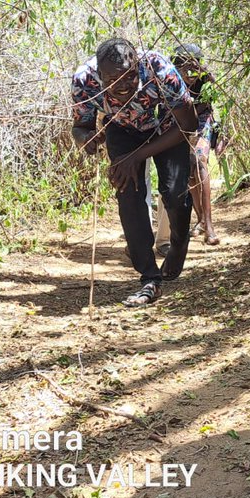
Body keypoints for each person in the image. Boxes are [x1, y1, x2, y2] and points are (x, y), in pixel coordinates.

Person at [70, 38, 198, 306]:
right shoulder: (84, 80)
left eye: (129, 77)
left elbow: (189, 123)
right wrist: (86, 138)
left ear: (137, 63)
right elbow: (80, 125)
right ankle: (150, 278)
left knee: (174, 193)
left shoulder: (159, 68)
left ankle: (178, 242)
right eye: (112, 80)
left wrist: (136, 157)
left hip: (168, 127)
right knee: (128, 195)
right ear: (99, 74)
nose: (122, 86)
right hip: (122, 131)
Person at [171, 44, 224, 246]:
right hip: (180, 123)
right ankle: (201, 219)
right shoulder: (170, 79)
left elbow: (210, 106)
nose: (190, 73)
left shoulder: (206, 79)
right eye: (185, 68)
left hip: (202, 120)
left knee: (200, 161)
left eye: (194, 67)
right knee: (189, 169)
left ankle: (209, 225)